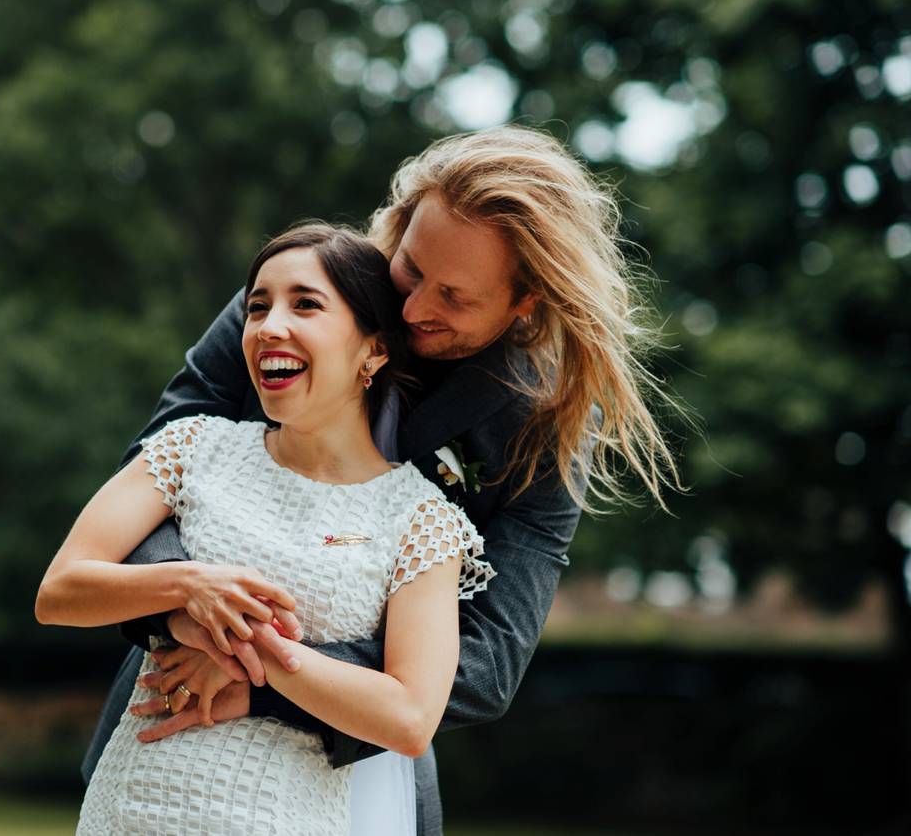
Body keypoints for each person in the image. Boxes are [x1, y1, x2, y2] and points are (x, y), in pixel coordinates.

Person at [81, 125, 685, 835]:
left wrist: (260, 673)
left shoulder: (542, 430)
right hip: (172, 720)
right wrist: (191, 614)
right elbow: (152, 472)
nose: (412, 308)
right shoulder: (293, 301)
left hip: (355, 769)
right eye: (410, 266)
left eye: (454, 296)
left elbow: (486, 664)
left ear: (525, 302)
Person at [38, 223, 497, 834]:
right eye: (258, 307)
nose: (268, 326)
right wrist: (186, 586)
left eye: (305, 304)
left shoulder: (422, 521)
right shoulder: (192, 446)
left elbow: (410, 718)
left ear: (375, 348)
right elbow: (59, 592)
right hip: (132, 806)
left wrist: (255, 656)